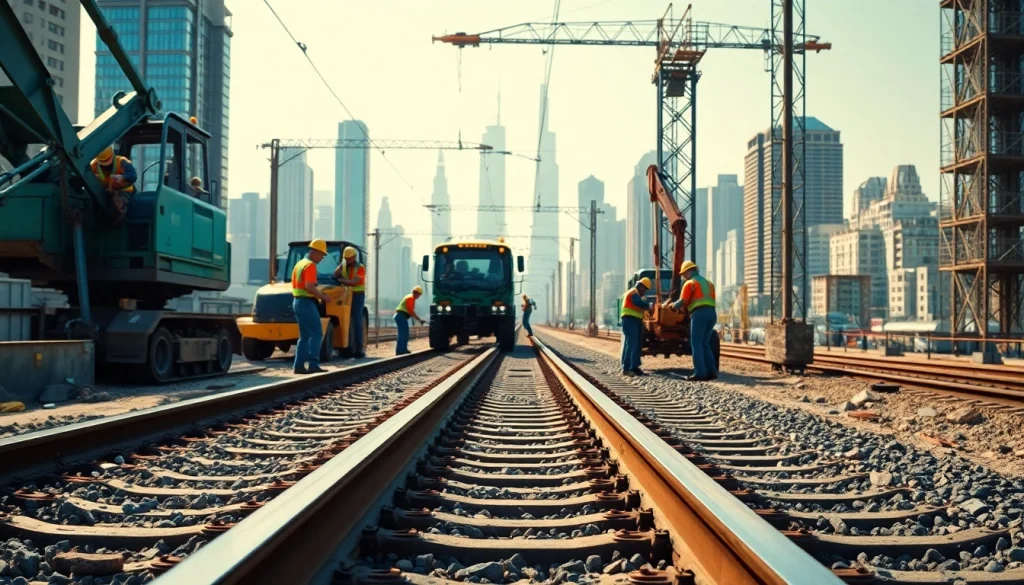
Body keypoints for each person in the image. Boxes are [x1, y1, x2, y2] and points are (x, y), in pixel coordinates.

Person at [665, 261, 717, 381]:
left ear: (689, 271)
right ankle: (711, 371)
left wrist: (672, 306)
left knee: (696, 343)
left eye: (683, 274)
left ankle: (699, 372)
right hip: (712, 314)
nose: (683, 276)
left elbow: (682, 301)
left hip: (699, 314)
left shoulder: (690, 283)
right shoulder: (708, 283)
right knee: (705, 343)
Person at [292, 238, 334, 375]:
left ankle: (298, 366)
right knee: (317, 333)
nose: (322, 258)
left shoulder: (299, 264)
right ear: (314, 252)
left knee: (304, 336)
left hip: (297, 301)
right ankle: (313, 364)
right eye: (322, 254)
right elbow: (309, 286)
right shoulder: (310, 265)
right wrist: (323, 297)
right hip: (306, 302)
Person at [332, 246, 367, 358]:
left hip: (357, 295)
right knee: (345, 320)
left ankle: (359, 349)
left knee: (356, 320)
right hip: (346, 295)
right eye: (345, 258)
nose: (348, 260)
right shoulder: (344, 266)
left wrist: (343, 281)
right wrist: (342, 265)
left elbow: (356, 281)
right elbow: (334, 275)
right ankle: (345, 347)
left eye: (349, 258)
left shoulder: (360, 267)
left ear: (354, 257)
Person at [90, 146, 136, 221]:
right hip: (104, 191)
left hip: (123, 191)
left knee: (118, 203)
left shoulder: (122, 162)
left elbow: (133, 175)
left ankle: (117, 223)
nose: (106, 167)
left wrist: (123, 177)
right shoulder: (94, 165)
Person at [620, 277, 652, 376]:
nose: (645, 292)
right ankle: (626, 368)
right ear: (640, 286)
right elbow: (638, 302)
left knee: (636, 345)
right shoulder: (633, 293)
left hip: (636, 321)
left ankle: (634, 367)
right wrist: (648, 305)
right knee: (632, 344)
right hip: (630, 320)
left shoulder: (636, 294)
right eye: (645, 289)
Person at [394, 286, 425, 355]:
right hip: (400, 316)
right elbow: (410, 311)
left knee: (405, 334)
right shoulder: (411, 298)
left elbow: (410, 312)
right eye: (418, 295)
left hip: (401, 317)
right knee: (403, 334)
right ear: (415, 293)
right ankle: (400, 351)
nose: (419, 297)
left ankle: (403, 349)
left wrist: (418, 320)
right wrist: (419, 319)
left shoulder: (410, 297)